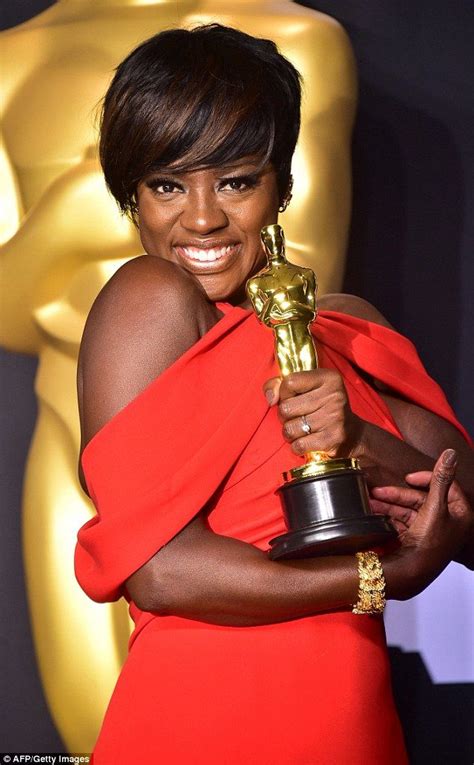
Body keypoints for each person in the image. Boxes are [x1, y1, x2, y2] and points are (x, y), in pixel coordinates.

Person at [75, 24, 473, 764]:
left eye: (235, 180)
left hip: (354, 726)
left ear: (282, 185)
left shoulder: (352, 328)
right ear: (132, 194)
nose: (200, 217)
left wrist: (353, 438)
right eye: (167, 184)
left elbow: (466, 509)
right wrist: (380, 576)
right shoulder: (149, 297)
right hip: (203, 721)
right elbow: (160, 570)